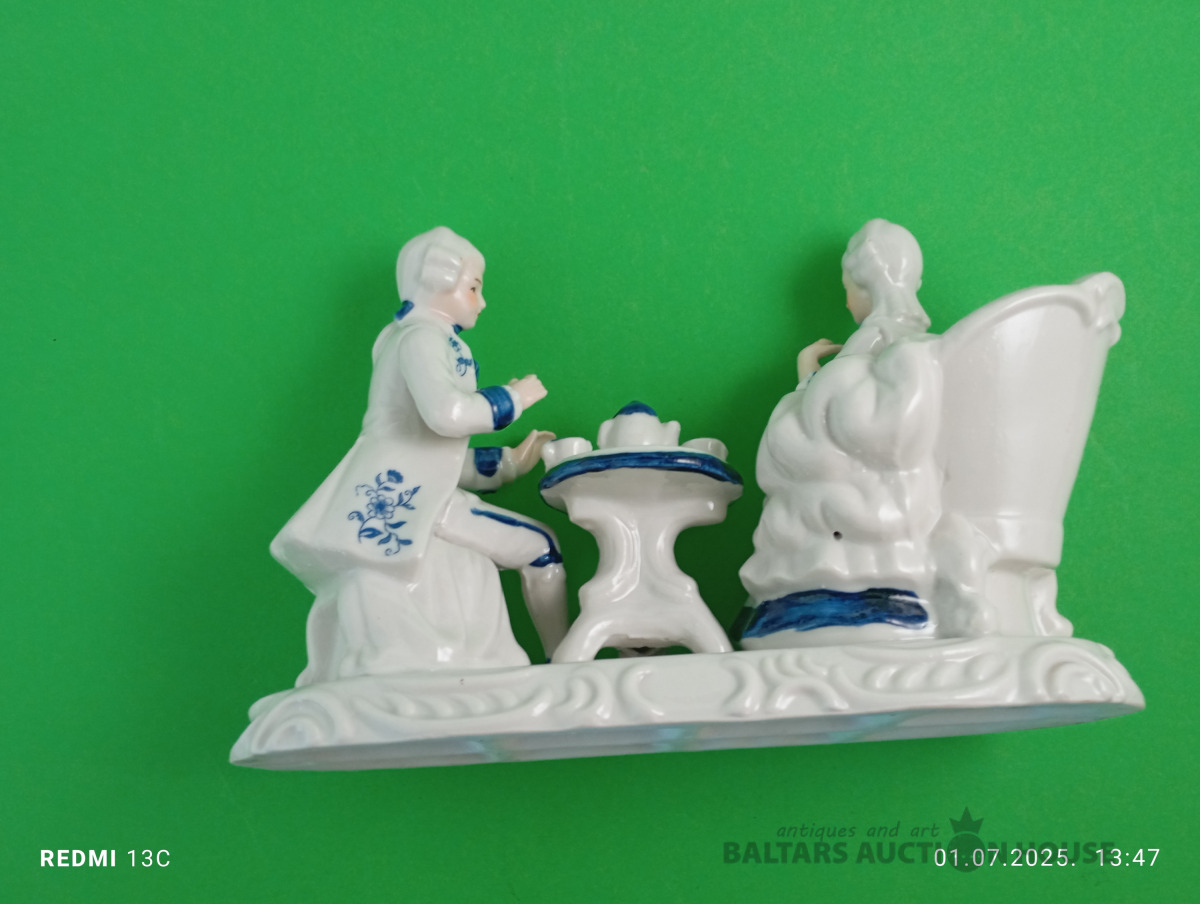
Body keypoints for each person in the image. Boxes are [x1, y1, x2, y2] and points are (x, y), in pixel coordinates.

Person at [271, 227, 567, 682]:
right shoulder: (421, 338)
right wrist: (513, 398)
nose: (481, 302)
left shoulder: (414, 338)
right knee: (542, 547)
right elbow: (447, 415)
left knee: (529, 547)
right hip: (419, 504)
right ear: (438, 281)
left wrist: (506, 463)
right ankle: (563, 667)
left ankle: (556, 665)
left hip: (412, 493)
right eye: (474, 287)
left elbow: (428, 450)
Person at [738, 220, 943, 646]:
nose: (847, 300)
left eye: (847, 287)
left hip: (864, 478)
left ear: (866, 284)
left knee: (791, 452)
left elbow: (831, 412)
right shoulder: (924, 343)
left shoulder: (875, 337)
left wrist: (805, 379)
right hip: (888, 482)